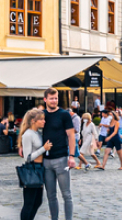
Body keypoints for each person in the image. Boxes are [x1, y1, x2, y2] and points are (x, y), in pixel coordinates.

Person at [40, 88, 75, 220]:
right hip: (46, 160)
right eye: (51, 98)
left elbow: (71, 136)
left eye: (56, 98)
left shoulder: (64, 114)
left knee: (66, 194)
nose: (54, 101)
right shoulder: (41, 115)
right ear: (45, 99)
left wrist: (71, 156)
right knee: (50, 195)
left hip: (61, 158)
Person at [19, 109, 48, 220]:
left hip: (40, 168)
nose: (44, 121)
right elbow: (27, 157)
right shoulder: (28, 134)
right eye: (41, 119)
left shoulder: (37, 133)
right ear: (33, 121)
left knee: (37, 201)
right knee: (29, 202)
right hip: (32, 169)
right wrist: (43, 149)